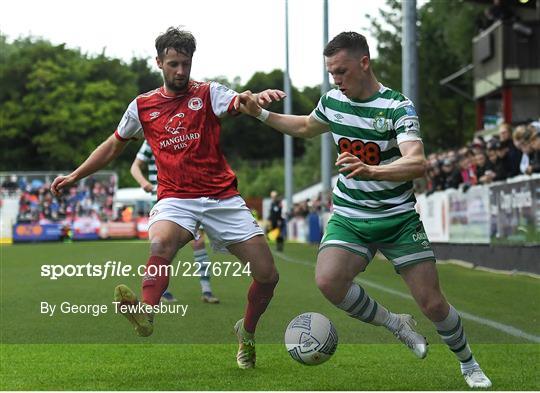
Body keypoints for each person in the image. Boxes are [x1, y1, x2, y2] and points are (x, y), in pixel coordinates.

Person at [235, 31, 491, 388]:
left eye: (341, 71)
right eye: (330, 73)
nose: (336, 80)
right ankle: (395, 324)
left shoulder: (397, 107)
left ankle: (469, 363)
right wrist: (261, 114)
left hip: (397, 219)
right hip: (351, 216)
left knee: (433, 304)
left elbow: (416, 162)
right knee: (328, 281)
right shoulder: (333, 101)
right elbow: (307, 127)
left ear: (364, 63)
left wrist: (374, 171)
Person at [51, 27, 285, 369]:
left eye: (185, 64)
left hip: (221, 197)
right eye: (173, 64)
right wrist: (75, 175)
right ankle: (146, 313)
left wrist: (254, 100)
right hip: (176, 198)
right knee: (160, 243)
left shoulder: (208, 93)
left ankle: (246, 333)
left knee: (267, 275)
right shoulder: (142, 106)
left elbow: (239, 101)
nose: (180, 71)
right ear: (159, 61)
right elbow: (113, 145)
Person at [131, 140, 219, 304]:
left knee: (198, 243)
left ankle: (206, 290)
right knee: (163, 246)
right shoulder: (151, 139)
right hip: (162, 200)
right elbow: (135, 166)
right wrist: (144, 183)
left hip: (187, 199)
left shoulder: (186, 136)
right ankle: (162, 290)